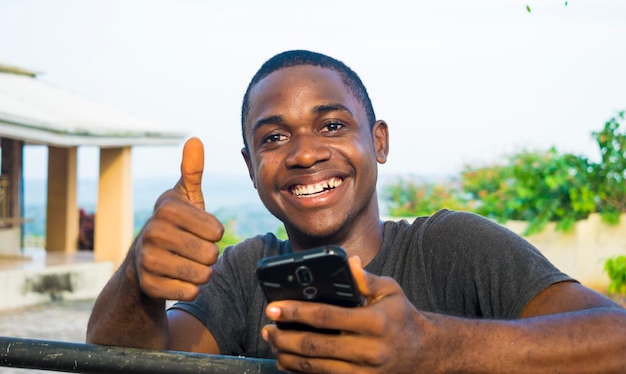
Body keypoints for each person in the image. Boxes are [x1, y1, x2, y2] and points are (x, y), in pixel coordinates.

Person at [87, 49, 626, 373]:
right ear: (251, 168)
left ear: (379, 142)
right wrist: (139, 276)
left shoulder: (455, 247)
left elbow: (615, 341)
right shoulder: (241, 275)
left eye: (332, 126)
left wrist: (430, 348)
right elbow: (132, 360)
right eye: (274, 138)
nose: (303, 153)